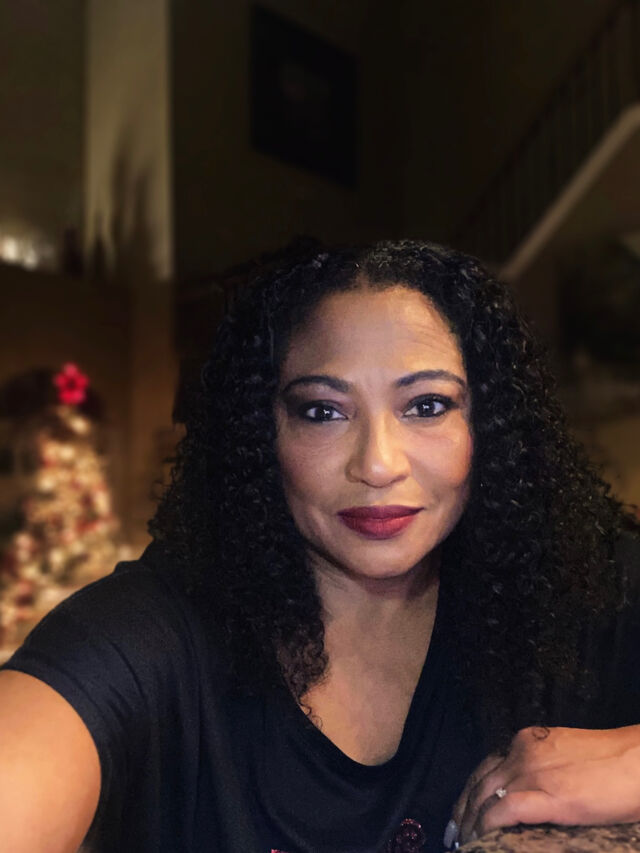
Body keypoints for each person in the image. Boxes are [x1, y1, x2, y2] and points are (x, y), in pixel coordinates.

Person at [0, 238, 639, 853]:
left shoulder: (577, 585)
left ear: (490, 428)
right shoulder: (152, 635)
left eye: (426, 405)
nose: (378, 464)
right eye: (323, 412)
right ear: (262, 437)